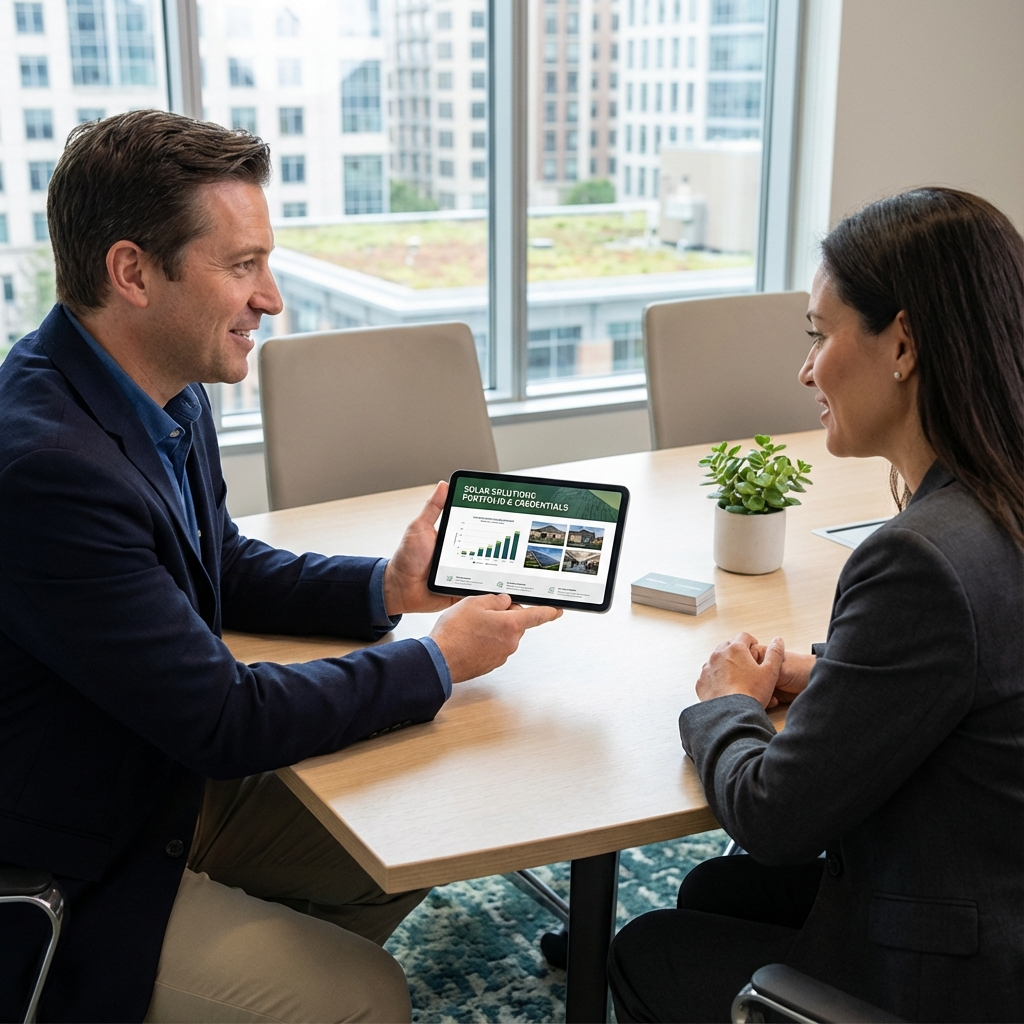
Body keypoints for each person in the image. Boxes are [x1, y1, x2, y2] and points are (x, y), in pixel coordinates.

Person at [0, 110, 560, 1023]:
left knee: (423, 832)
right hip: (78, 854)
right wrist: (440, 657)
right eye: (241, 265)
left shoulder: (156, 386)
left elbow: (217, 558)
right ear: (133, 271)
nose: (272, 298)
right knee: (363, 997)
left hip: (156, 779)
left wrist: (385, 588)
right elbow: (226, 720)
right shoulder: (47, 468)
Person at [607, 188, 1024, 1023]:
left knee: (645, 948)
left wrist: (724, 705)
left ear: (901, 343)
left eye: (818, 335)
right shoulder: (999, 505)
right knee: (721, 888)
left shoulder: (921, 557)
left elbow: (774, 815)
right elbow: (978, 660)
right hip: (993, 892)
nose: (805, 370)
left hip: (952, 981)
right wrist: (830, 668)